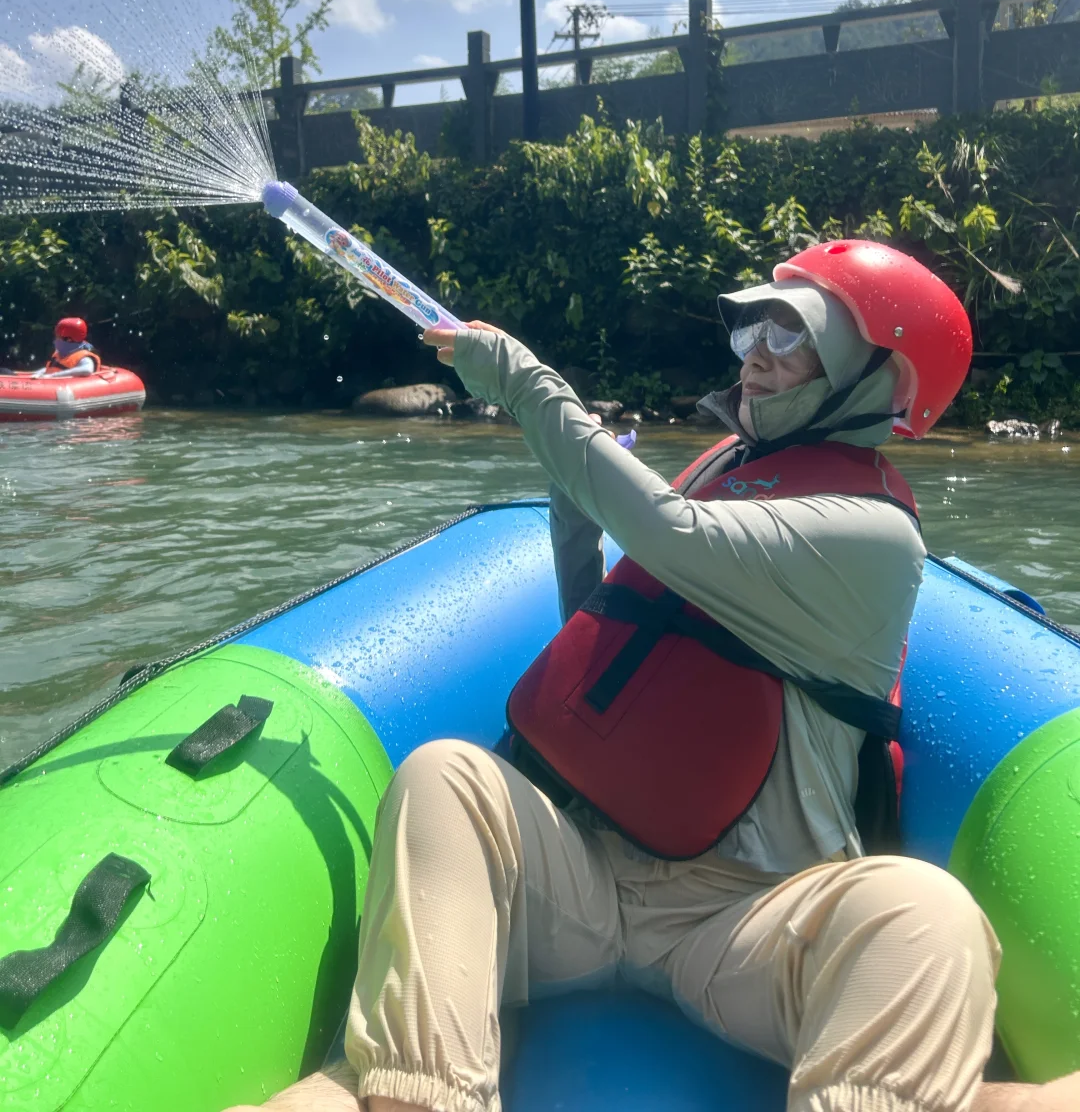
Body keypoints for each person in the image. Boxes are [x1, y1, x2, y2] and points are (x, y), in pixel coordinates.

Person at [225, 241, 1079, 1112]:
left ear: (885, 384)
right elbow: (611, 657)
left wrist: (528, 386)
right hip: (592, 881)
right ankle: (420, 1091)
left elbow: (670, 536)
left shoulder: (871, 537)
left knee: (923, 909)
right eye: (755, 330)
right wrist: (571, 514)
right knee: (446, 776)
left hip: (747, 920)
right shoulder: (728, 468)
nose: (756, 356)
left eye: (794, 337)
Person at [31, 317, 102, 379]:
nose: (55, 339)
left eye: (58, 337)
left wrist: (53, 376)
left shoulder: (84, 357)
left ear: (69, 340)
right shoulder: (62, 353)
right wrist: (37, 374)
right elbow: (50, 369)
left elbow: (87, 370)